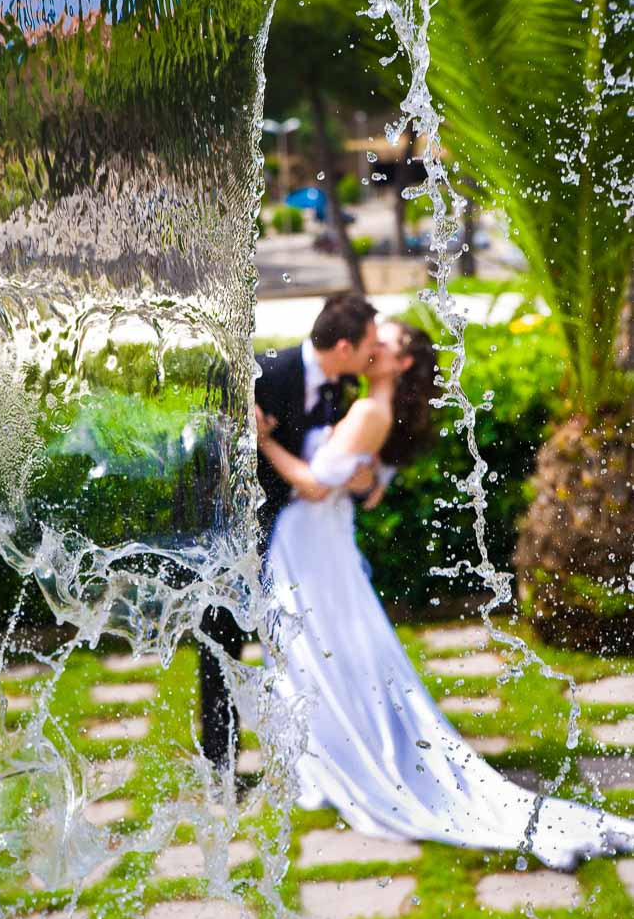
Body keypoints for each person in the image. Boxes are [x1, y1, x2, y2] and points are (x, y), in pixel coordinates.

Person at [256, 319, 634, 871]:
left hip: (312, 535)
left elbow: (314, 484)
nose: (370, 345)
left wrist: (264, 441)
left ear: (400, 363)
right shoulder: (363, 404)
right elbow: (372, 490)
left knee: (318, 649)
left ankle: (334, 756)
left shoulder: (366, 410)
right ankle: (323, 753)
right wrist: (360, 480)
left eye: (380, 342)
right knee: (327, 649)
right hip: (324, 538)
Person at [199, 293, 379, 771]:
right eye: (369, 345)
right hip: (238, 530)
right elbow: (207, 411)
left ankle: (314, 752)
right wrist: (235, 423)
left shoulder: (342, 388)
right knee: (222, 640)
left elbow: (335, 458)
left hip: (300, 537)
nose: (373, 354)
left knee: (304, 642)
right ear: (344, 346)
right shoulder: (264, 371)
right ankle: (222, 761)